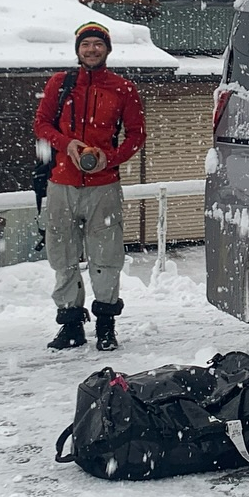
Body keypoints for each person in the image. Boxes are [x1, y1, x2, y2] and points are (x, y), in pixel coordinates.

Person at [34, 21, 147, 352]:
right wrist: (66, 143)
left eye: (98, 44)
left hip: (104, 186)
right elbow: (40, 124)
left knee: (106, 255)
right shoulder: (60, 84)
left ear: (108, 50)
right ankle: (70, 325)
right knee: (62, 254)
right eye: (86, 45)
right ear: (78, 50)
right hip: (61, 184)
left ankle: (106, 325)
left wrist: (108, 158)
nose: (92, 49)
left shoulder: (123, 88)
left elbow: (137, 134)